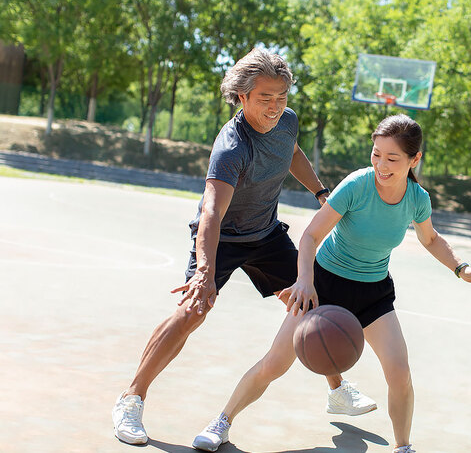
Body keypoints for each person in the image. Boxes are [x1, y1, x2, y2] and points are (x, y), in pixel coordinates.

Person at [111, 48, 376, 446]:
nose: (275, 106)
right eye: (265, 98)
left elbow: (292, 154)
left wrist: (321, 191)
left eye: (281, 97)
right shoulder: (232, 148)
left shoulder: (287, 121)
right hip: (224, 237)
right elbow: (212, 213)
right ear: (242, 96)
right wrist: (204, 272)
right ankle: (131, 399)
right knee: (191, 313)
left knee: (310, 300)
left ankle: (337, 391)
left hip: (265, 234)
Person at [191, 114, 471, 452]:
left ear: (415, 160)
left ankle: (403, 446)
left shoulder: (416, 198)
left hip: (373, 293)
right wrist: (305, 282)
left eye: (392, 158)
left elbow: (431, 239)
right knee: (275, 362)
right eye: (376, 153)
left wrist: (461, 268)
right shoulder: (357, 185)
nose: (381, 164)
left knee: (400, 372)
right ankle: (221, 422)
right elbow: (310, 237)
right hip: (325, 285)